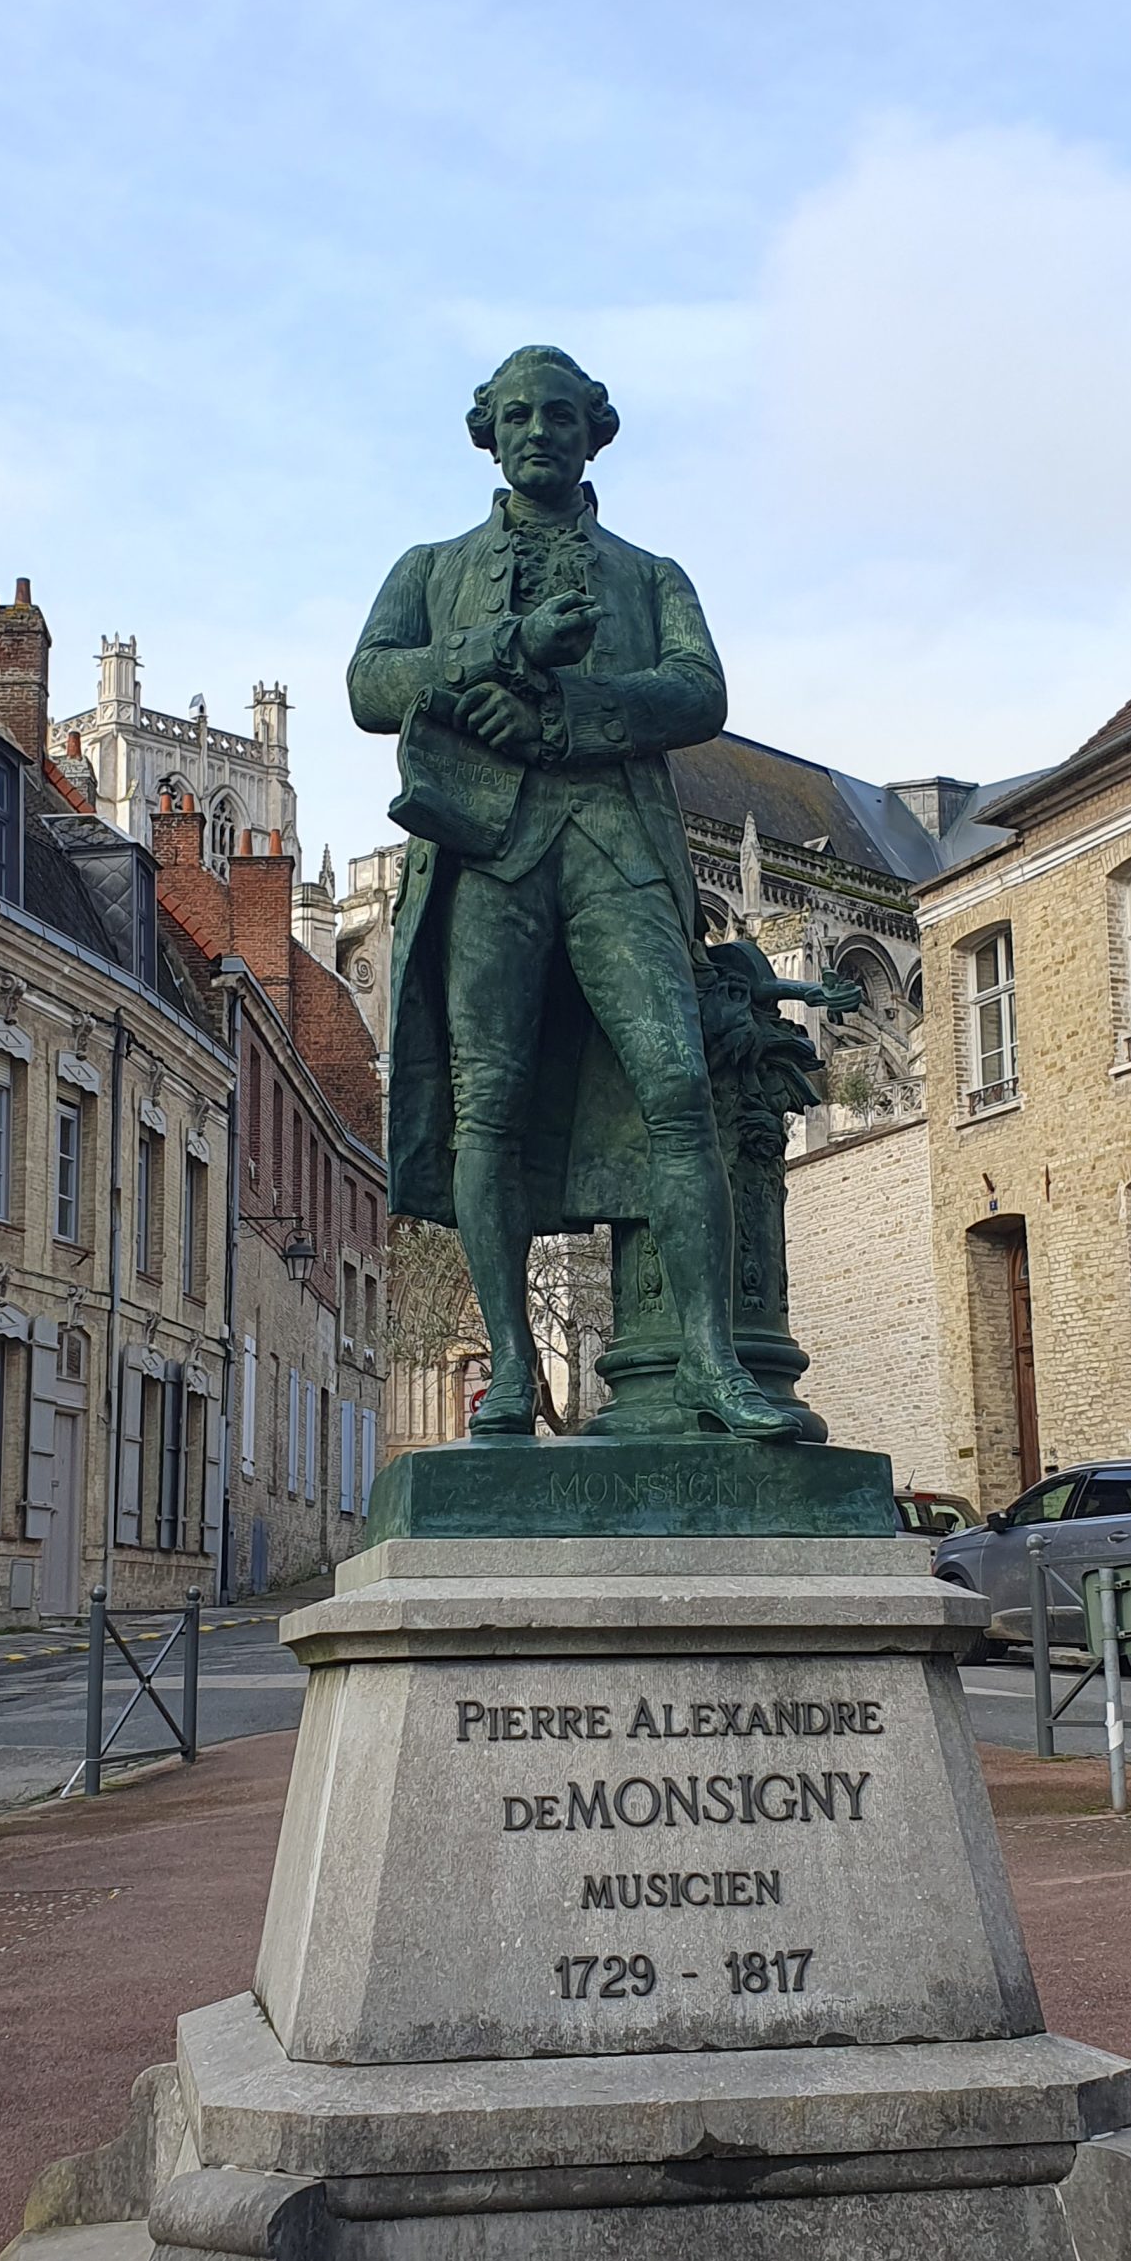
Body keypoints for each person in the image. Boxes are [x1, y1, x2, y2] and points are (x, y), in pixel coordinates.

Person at [348, 345, 802, 1440]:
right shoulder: (430, 566)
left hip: (614, 842)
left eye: (559, 414)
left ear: (594, 431)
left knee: (678, 1086)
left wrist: (563, 716)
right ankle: (510, 1371)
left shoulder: (651, 575)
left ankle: (709, 1364)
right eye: (516, 415)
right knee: (485, 1106)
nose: (538, 430)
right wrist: (501, 650)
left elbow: (700, 689)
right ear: (488, 434)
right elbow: (370, 683)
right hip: (485, 848)